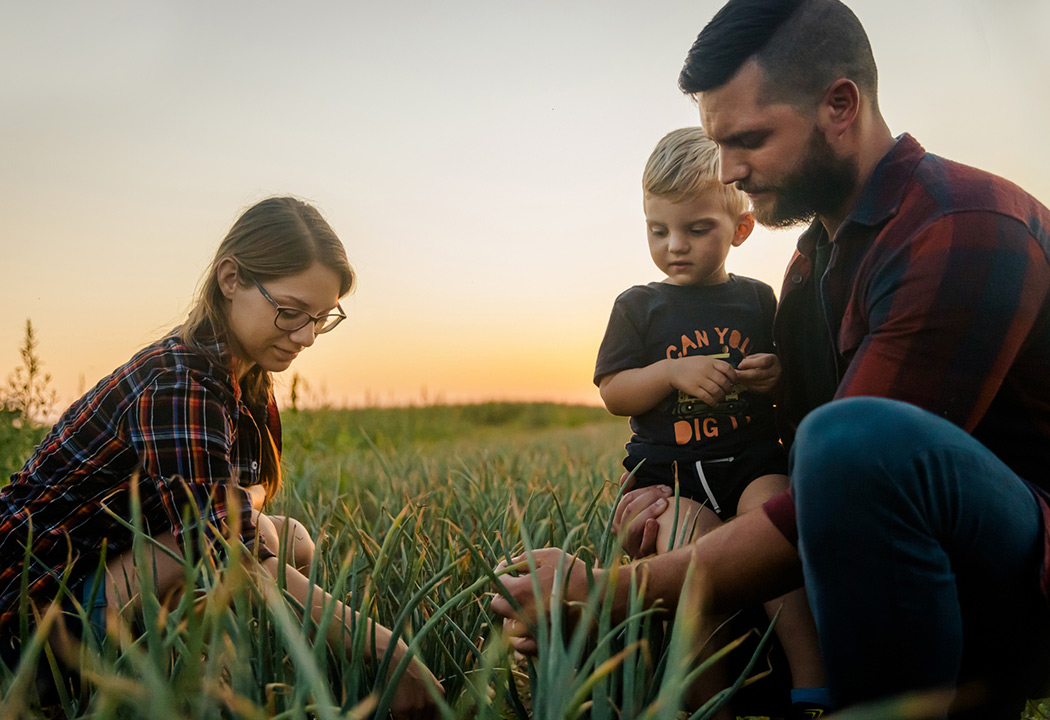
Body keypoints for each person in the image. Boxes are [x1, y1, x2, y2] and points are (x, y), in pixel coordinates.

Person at [492, 1, 1050, 718]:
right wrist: (666, 508)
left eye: (749, 139)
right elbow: (793, 464)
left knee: (850, 442)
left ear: (839, 105)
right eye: (717, 143)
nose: (729, 170)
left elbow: (847, 473)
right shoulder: (812, 261)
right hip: (881, 574)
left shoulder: (963, 226)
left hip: (1019, 584)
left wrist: (605, 590)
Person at [0, 197, 442, 717]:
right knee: (214, 552)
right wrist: (396, 658)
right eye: (290, 312)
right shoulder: (179, 381)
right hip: (26, 613)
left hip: (98, 579)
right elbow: (221, 549)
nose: (305, 337)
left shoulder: (244, 376)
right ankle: (61, 689)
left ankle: (206, 672)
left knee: (288, 536)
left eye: (321, 320)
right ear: (230, 278)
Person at [593, 126, 826, 715]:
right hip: (670, 475)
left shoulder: (755, 299)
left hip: (748, 460)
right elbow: (615, 391)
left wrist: (772, 373)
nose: (676, 245)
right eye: (658, 230)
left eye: (698, 229)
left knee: (777, 520)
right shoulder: (637, 306)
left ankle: (812, 677)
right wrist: (671, 373)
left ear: (740, 229)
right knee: (689, 561)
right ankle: (709, 700)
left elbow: (778, 381)